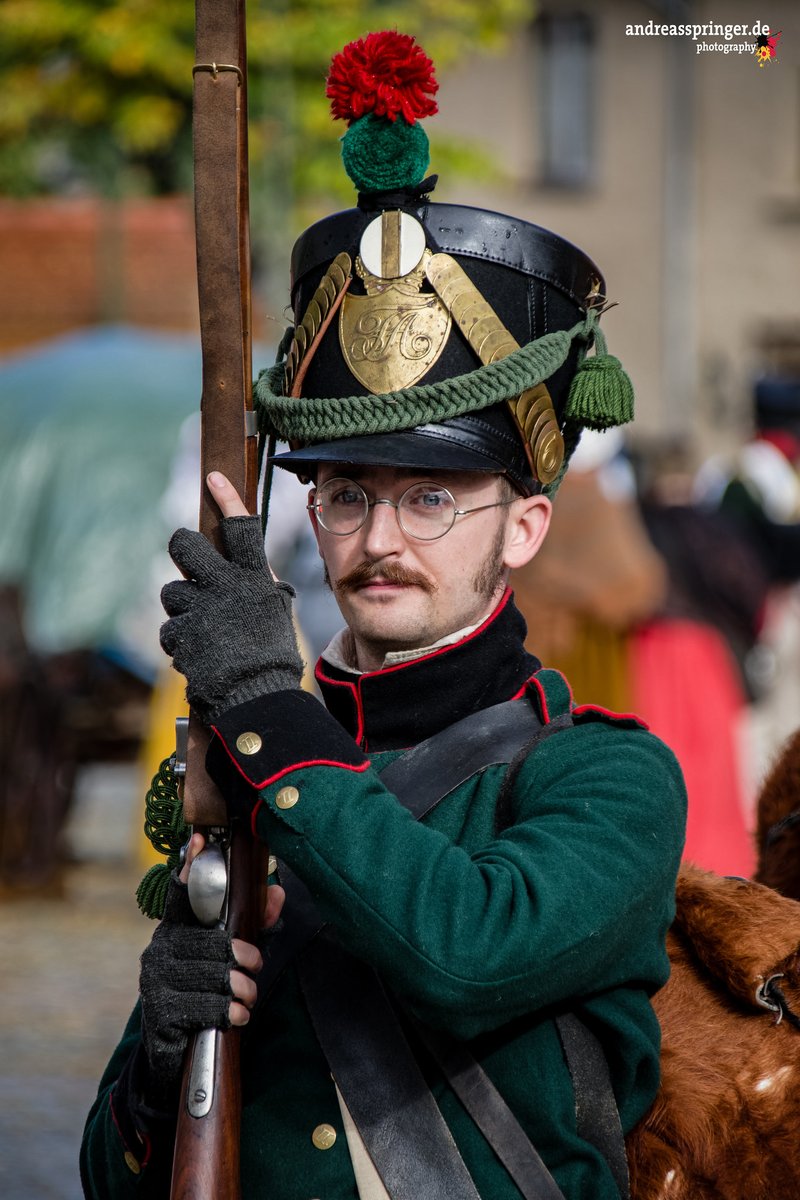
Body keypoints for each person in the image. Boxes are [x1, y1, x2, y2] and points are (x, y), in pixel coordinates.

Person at [80, 31, 686, 1200]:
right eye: (346, 494)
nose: (379, 538)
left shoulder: (606, 780)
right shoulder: (254, 777)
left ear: (524, 528)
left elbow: (462, 951)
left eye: (431, 497)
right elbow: (111, 1179)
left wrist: (265, 704)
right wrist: (161, 1068)